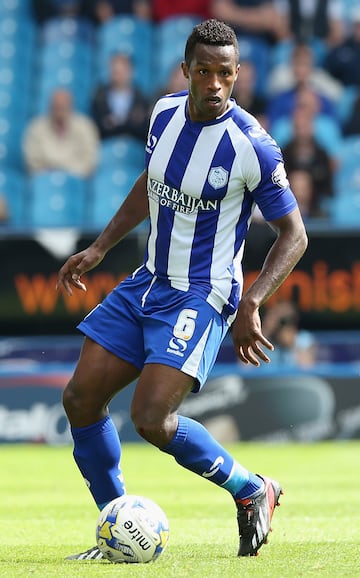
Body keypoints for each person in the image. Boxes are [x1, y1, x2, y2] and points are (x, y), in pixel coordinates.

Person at [57, 18, 308, 560]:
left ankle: (251, 488)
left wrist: (253, 299)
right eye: (204, 71)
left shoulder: (253, 147)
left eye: (225, 74)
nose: (215, 84)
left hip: (202, 294)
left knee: (152, 419)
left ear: (237, 74)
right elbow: (151, 183)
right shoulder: (164, 114)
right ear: (186, 71)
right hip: (148, 281)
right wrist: (100, 247)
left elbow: (294, 234)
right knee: (80, 399)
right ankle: (116, 529)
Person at [23, 88, 99, 177]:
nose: (60, 112)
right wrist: (51, 172)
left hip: (76, 180)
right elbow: (32, 160)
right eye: (56, 107)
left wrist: (67, 173)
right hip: (45, 180)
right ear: (50, 107)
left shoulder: (85, 127)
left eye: (63, 107)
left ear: (71, 107)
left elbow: (90, 160)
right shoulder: (36, 127)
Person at [91, 52, 150, 142]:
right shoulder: (99, 97)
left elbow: (143, 128)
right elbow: (97, 126)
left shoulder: (141, 99)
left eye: (121, 70)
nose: (117, 74)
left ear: (130, 71)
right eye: (115, 71)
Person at [262, 300, 317, 368]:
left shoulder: (304, 339)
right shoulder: (266, 339)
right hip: (268, 378)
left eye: (285, 320)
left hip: (294, 377)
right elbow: (248, 367)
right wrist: (266, 331)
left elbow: (307, 367)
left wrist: (291, 344)